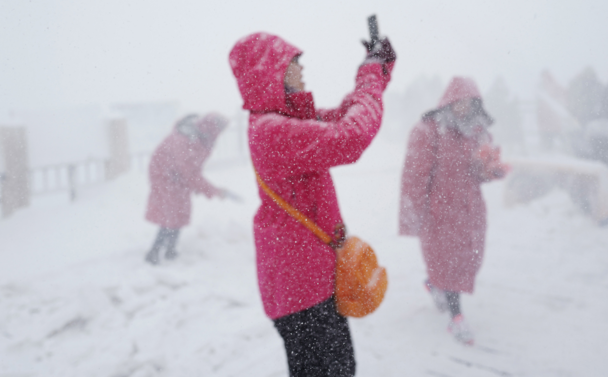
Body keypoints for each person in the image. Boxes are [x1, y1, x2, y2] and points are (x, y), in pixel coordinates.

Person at [229, 31, 395, 377]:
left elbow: (349, 115)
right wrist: (369, 75)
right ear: (269, 71)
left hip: (305, 284)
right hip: (302, 293)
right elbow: (351, 136)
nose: (302, 69)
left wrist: (376, 71)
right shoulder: (271, 130)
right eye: (293, 62)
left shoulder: (284, 123)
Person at [399, 77, 508, 345]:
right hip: (439, 212)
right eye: (460, 102)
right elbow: (414, 177)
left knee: (466, 261)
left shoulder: (478, 131)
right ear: (449, 100)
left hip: (471, 211)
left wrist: (491, 169)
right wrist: (413, 215)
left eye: (471, 103)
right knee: (448, 264)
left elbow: (480, 173)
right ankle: (456, 317)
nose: (464, 107)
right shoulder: (429, 131)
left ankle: (434, 285)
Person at [144, 113, 229, 265]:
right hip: (164, 175)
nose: (221, 133)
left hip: (177, 175)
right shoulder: (187, 140)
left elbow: (191, 169)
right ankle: (154, 252)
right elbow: (190, 172)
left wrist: (197, 185)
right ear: (212, 129)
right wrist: (213, 191)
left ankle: (170, 250)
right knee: (170, 213)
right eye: (220, 129)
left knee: (180, 211)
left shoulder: (201, 137)